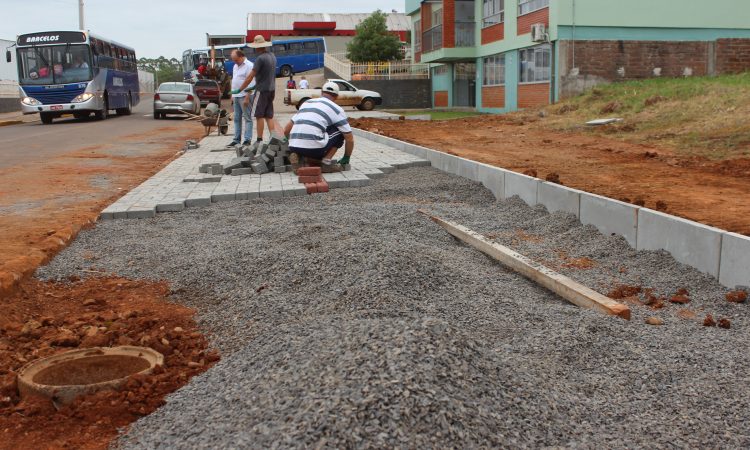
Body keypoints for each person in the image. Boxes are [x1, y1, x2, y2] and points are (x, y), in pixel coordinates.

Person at [283, 81, 353, 173]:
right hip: (315, 149)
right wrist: (346, 157)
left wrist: (286, 141)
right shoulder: (336, 109)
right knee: (341, 131)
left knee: (318, 129)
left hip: (293, 146)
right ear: (336, 96)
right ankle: (325, 163)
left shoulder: (306, 103)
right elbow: (349, 138)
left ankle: (298, 155)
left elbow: (286, 130)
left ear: (321, 93)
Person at [235, 35, 279, 143]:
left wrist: (240, 89)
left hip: (262, 91)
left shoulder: (260, 59)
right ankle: (273, 138)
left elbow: (250, 76)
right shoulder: (272, 56)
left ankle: (259, 139)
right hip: (271, 89)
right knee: (269, 115)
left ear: (257, 47)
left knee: (259, 115)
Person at [225, 49, 255, 148]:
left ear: (241, 57)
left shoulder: (249, 65)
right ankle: (236, 140)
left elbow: (251, 82)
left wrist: (247, 96)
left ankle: (247, 139)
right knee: (237, 119)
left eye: (236, 60)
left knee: (247, 118)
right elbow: (234, 81)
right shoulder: (235, 66)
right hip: (237, 96)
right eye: (233, 60)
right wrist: (232, 96)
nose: (235, 62)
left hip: (244, 96)